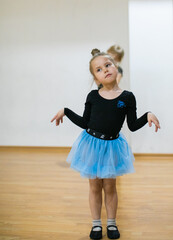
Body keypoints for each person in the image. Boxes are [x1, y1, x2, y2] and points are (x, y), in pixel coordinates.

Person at [51, 49, 160, 240]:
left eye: (108, 65)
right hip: (91, 145)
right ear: (96, 78)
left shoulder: (127, 97)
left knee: (110, 187)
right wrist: (66, 111)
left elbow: (132, 126)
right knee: (94, 187)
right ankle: (95, 225)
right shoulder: (93, 96)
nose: (105, 70)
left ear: (116, 67)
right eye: (99, 69)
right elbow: (85, 122)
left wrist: (147, 115)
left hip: (112, 147)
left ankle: (111, 223)